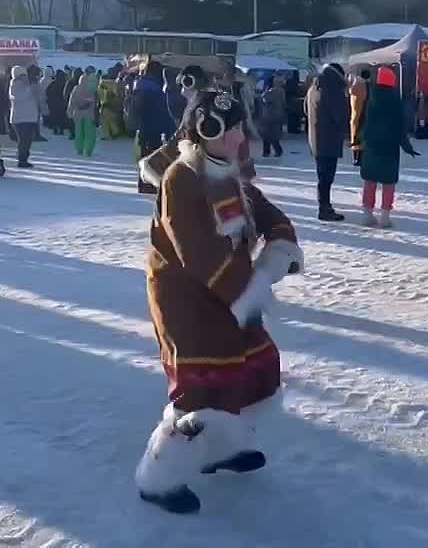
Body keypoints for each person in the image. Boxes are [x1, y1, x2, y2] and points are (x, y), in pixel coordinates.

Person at [135, 89, 302, 515]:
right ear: (207, 130)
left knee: (254, 367)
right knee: (200, 391)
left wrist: (281, 242)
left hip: (229, 293)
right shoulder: (181, 179)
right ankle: (158, 477)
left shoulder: (224, 170)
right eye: (233, 129)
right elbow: (198, 253)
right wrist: (248, 288)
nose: (241, 137)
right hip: (188, 300)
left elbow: (263, 210)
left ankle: (225, 447)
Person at [358, 66, 419, 228]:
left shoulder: (371, 97)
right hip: (389, 147)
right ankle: (385, 215)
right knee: (388, 181)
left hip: (371, 145)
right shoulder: (395, 100)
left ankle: (367, 213)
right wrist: (407, 146)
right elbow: (400, 127)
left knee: (370, 180)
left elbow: (363, 120)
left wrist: (360, 138)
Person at [306, 63, 350, 221]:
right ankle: (324, 208)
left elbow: (306, 110)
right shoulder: (333, 91)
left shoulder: (314, 87)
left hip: (316, 138)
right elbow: (340, 116)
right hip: (329, 139)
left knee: (322, 175)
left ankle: (324, 206)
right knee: (326, 177)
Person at [135, 62, 178, 194]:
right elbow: (162, 110)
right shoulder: (155, 88)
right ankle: (151, 185)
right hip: (154, 127)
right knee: (153, 157)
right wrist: (167, 129)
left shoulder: (141, 84)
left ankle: (144, 184)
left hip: (143, 127)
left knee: (145, 154)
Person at [8, 65, 41, 169]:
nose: (24, 77)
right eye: (21, 75)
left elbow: (37, 97)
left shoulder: (28, 84)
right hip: (20, 118)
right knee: (24, 140)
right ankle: (22, 160)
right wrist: (29, 87)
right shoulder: (14, 85)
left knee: (27, 140)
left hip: (29, 117)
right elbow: (20, 97)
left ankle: (24, 158)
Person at [68, 70, 99, 157]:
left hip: (77, 114)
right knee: (90, 133)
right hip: (89, 114)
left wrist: (69, 111)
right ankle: (88, 150)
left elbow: (71, 101)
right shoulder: (93, 90)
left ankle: (79, 149)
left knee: (78, 133)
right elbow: (96, 103)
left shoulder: (76, 88)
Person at [259, 76, 287, 159]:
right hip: (278, 116)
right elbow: (283, 103)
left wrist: (265, 92)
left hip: (268, 116)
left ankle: (267, 152)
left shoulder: (270, 92)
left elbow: (264, 100)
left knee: (267, 135)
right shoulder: (282, 91)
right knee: (274, 135)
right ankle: (277, 151)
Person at [349, 70, 369, 166]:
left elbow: (350, 92)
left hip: (355, 116)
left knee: (355, 138)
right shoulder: (367, 86)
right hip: (364, 115)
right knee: (362, 138)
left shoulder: (356, 86)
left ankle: (356, 158)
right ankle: (360, 158)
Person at [98, 69, 125, 139]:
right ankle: (115, 132)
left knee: (105, 122)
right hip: (114, 105)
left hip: (104, 106)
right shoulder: (115, 84)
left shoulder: (101, 85)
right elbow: (118, 95)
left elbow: (100, 96)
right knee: (113, 121)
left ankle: (106, 135)